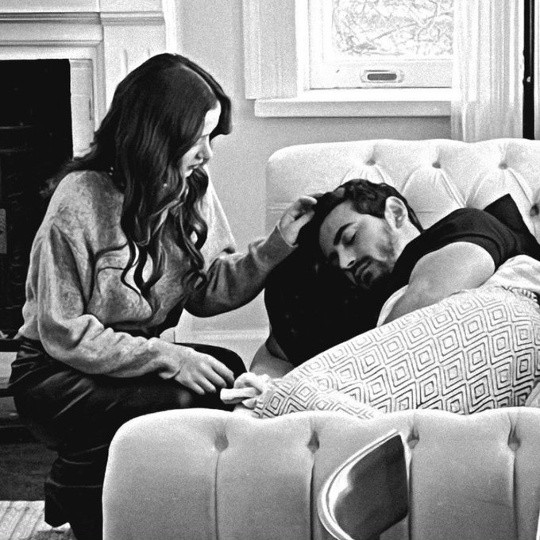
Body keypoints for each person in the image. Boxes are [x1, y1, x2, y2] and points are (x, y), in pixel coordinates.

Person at [8, 53, 315, 540]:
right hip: (53, 371)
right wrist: (167, 356)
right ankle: (81, 492)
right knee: (184, 391)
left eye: (211, 137)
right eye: (198, 138)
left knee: (225, 373)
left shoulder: (191, 188)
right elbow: (63, 332)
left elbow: (206, 291)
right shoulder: (79, 197)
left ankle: (159, 505)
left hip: (125, 361)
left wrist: (277, 245)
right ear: (157, 134)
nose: (207, 153)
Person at [237, 179, 540, 419]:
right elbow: (273, 356)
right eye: (335, 259)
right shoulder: (357, 309)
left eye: (350, 238)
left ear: (394, 213)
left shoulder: (463, 226)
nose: (345, 262)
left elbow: (428, 301)